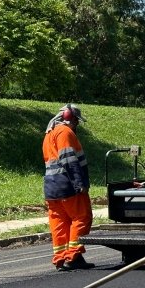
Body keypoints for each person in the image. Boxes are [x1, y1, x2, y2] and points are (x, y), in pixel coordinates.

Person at [42, 103, 95, 271]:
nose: (77, 125)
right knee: (81, 218)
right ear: (68, 117)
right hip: (68, 185)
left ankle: (60, 257)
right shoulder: (65, 132)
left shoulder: (49, 134)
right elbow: (69, 160)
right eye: (76, 121)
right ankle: (74, 256)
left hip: (51, 188)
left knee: (59, 223)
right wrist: (79, 183)